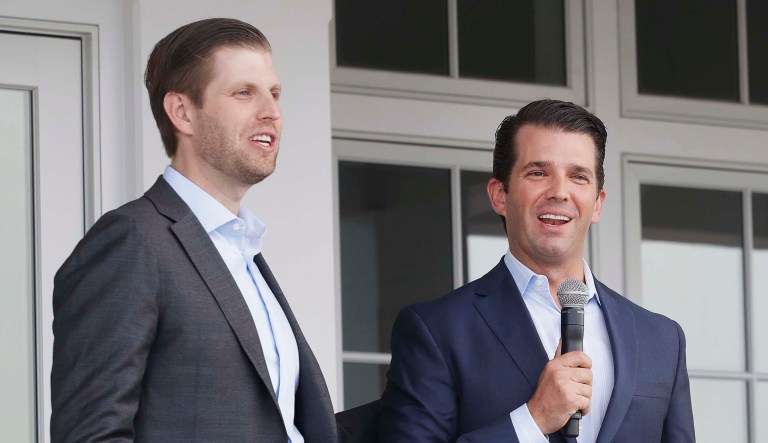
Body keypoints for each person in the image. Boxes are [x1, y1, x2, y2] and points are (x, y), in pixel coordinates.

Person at [50, 18, 336, 442]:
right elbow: (91, 433)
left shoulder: (243, 251)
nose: (272, 112)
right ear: (182, 112)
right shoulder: (133, 241)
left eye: (274, 94)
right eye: (244, 93)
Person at [378, 99, 695, 442]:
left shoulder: (662, 340)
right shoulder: (436, 331)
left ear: (598, 203)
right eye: (538, 172)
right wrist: (534, 419)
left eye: (578, 176)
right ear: (499, 194)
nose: (559, 192)